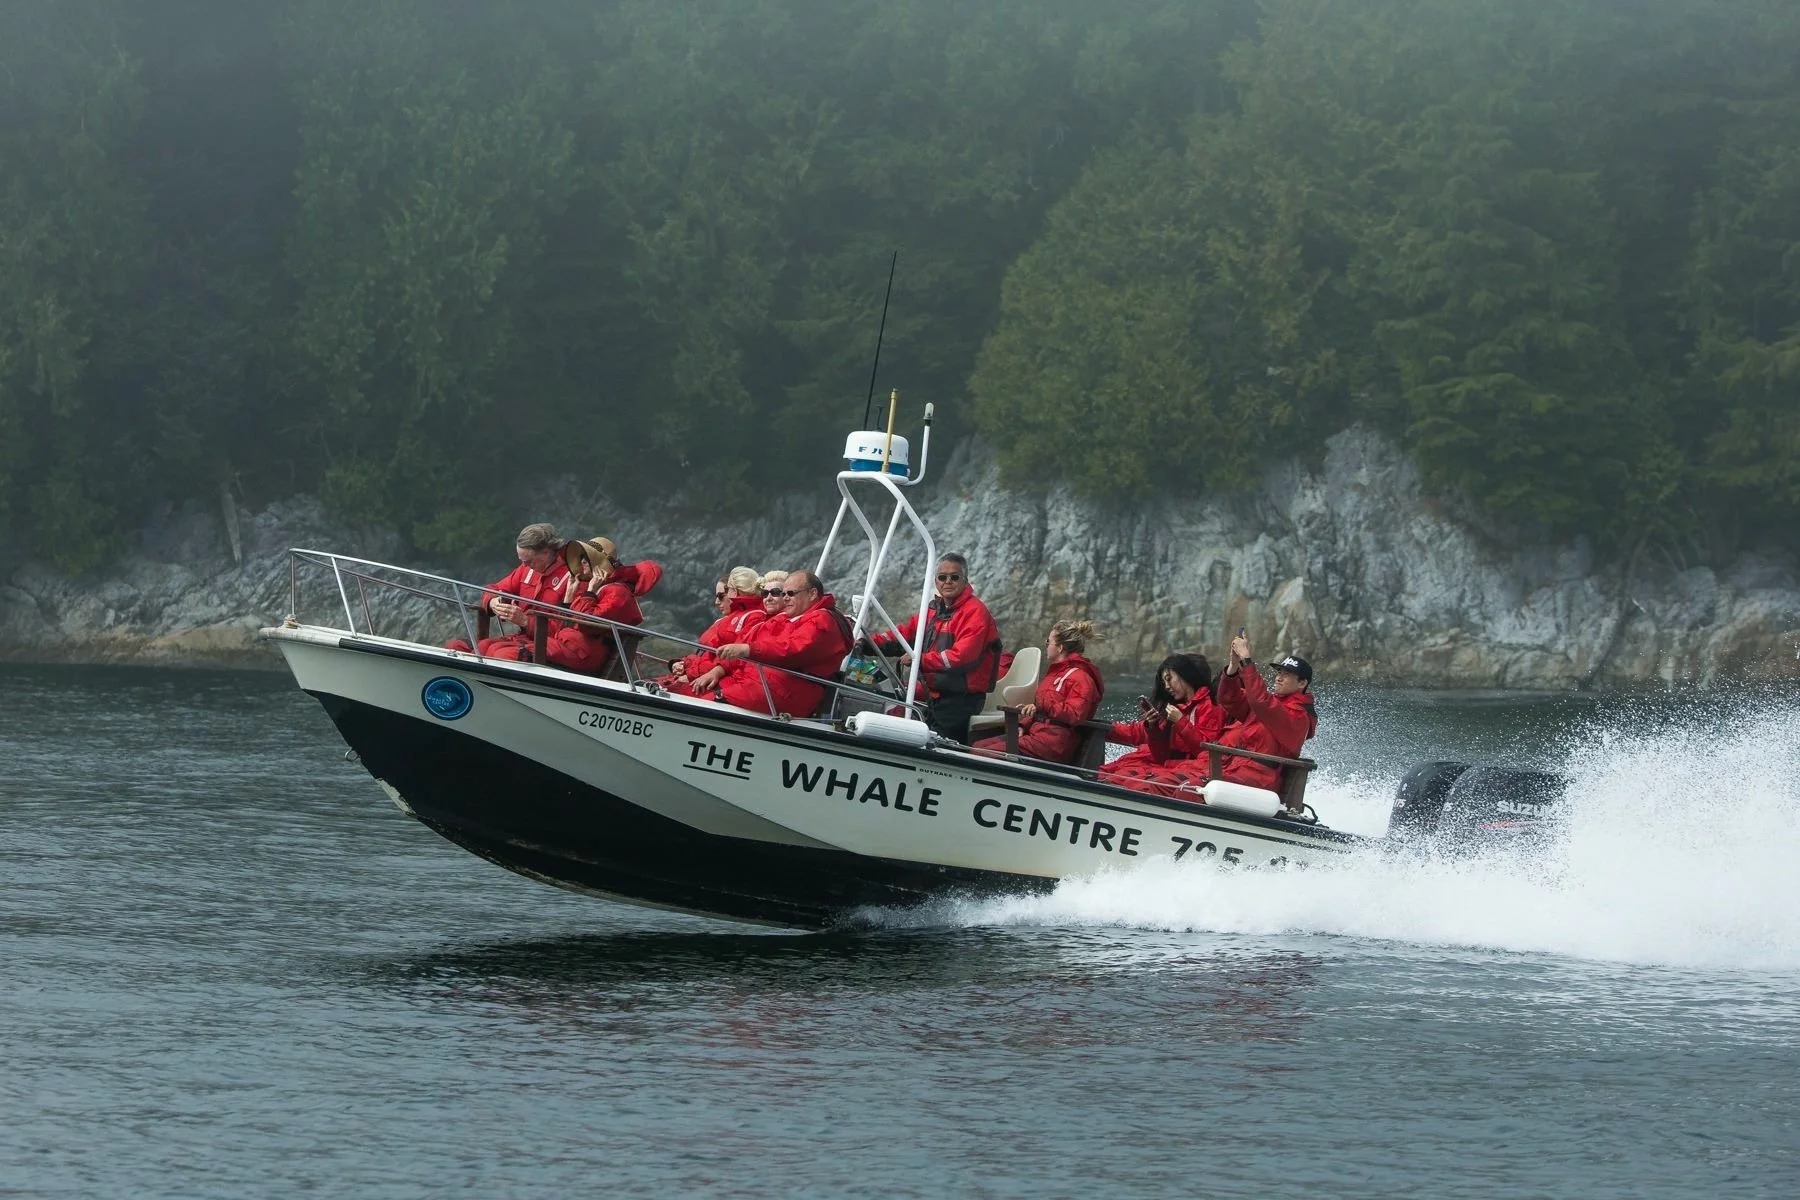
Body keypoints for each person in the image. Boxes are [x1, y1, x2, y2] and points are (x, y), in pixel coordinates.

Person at [868, 552, 1001, 744]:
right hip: (935, 694)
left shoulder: (975, 612)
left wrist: (918, 659)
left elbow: (962, 658)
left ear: (965, 581)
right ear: (936, 581)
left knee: (934, 745)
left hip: (961, 699)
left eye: (954, 577)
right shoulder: (934, 611)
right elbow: (904, 636)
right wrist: (867, 643)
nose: (948, 581)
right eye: (942, 577)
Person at [484, 537, 663, 674]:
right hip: (567, 643)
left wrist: (589, 592)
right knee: (488, 648)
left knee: (503, 654)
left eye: (587, 559)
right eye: (582, 558)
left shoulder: (618, 592)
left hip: (584, 653)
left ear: (600, 564)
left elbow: (586, 623)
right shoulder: (596, 588)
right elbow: (569, 622)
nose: (582, 563)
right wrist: (569, 598)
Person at [698, 569, 854, 717]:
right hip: (763, 683)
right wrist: (719, 669)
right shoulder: (789, 618)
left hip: (783, 691)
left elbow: (793, 650)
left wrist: (747, 650)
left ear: (813, 594)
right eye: (784, 593)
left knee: (703, 701)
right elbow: (752, 641)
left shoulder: (822, 620)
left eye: (790, 593)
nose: (785, 598)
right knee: (692, 691)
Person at [971, 619, 1104, 764]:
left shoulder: (1081, 678)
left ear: (1059, 648)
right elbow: (1040, 708)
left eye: (1048, 642)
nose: (1046, 646)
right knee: (978, 746)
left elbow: (1075, 714)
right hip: (1036, 735)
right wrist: (1023, 725)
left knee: (981, 752)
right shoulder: (1054, 675)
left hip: (1053, 743)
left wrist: (1042, 706)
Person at [1215, 635, 1317, 813]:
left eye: (1286, 675)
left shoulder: (1298, 715)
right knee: (1163, 777)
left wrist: (1247, 659)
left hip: (1257, 778)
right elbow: (1229, 699)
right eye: (1279, 673)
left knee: (1179, 785)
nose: (1278, 678)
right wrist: (1232, 668)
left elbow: (1260, 701)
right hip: (1236, 768)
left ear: (1302, 683)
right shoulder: (1272, 704)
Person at [445, 522, 573, 656]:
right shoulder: (526, 569)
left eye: (529, 561)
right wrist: (493, 602)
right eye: (521, 561)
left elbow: (566, 628)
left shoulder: (571, 577)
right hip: (523, 638)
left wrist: (524, 620)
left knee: (498, 653)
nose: (524, 565)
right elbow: (494, 588)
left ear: (546, 552)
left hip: (547, 645)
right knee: (456, 646)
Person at [1098, 653, 1222, 791]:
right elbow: (1159, 753)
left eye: (1169, 679)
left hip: (1188, 768)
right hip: (1168, 764)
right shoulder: (1172, 708)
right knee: (1113, 773)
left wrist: (1180, 721)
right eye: (1164, 682)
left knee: (1137, 781)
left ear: (1185, 674)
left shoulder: (1210, 706)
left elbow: (1205, 750)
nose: (1167, 687)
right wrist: (1153, 727)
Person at [661, 566, 767, 693]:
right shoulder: (725, 621)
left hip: (715, 680)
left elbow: (728, 657)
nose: (717, 602)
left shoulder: (754, 617)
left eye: (722, 595)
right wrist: (683, 663)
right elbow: (704, 655)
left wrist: (691, 675)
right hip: (699, 673)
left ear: (735, 591)